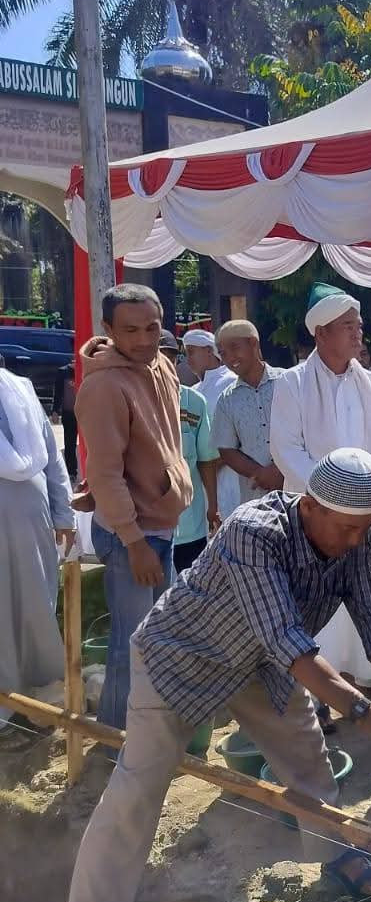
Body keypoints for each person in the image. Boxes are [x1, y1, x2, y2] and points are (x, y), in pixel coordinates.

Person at [39, 450, 371, 902]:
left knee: (309, 762)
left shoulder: (353, 535)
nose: (357, 542)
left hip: (262, 669)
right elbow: (287, 638)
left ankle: (334, 854)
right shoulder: (254, 531)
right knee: (137, 791)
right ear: (309, 507)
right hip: (183, 659)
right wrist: (363, 711)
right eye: (347, 529)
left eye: (365, 530)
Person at [74, 286, 192, 729]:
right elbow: (104, 474)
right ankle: (115, 738)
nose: (143, 339)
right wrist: (134, 540)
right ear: (108, 330)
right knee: (133, 643)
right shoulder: (104, 386)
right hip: (132, 534)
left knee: (160, 637)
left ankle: (148, 730)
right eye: (130, 330)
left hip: (160, 524)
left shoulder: (160, 364)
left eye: (152, 327)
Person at [270, 284, 371, 684]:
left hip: (364, 516)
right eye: (347, 326)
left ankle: (365, 677)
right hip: (313, 515)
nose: (358, 334)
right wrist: (330, 498)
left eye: (358, 326)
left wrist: (368, 493)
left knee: (368, 591)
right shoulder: (292, 382)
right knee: (312, 599)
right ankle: (315, 686)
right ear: (320, 332)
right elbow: (285, 448)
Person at [0, 361, 74, 714]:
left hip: (32, 520)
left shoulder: (20, 389)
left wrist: (64, 515)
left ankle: (41, 693)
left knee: (36, 607)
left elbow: (53, 461)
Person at [211, 320, 285, 508]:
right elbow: (227, 450)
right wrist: (261, 474)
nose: (229, 358)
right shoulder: (227, 400)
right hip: (256, 500)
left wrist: (283, 471)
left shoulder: (289, 382)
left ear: (253, 343)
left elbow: (308, 431)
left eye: (235, 348)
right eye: (223, 353)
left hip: (298, 491)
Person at [182, 327, 239, 522]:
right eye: (185, 353)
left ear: (208, 350)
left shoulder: (231, 381)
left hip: (231, 472)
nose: (188, 359)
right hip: (201, 479)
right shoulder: (193, 391)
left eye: (191, 352)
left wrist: (215, 462)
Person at [173, 370, 220, 573]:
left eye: (171, 357)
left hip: (190, 523)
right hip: (147, 526)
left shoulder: (194, 402)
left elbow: (206, 459)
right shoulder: (134, 397)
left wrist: (213, 506)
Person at [51, 361, 78, 482]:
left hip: (86, 414)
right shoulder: (63, 372)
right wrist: (55, 410)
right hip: (69, 413)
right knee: (70, 443)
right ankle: (71, 472)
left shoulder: (89, 369)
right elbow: (58, 393)